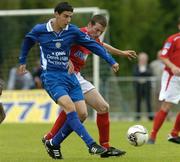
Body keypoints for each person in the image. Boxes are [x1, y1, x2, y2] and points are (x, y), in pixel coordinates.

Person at [18, 2, 120, 159]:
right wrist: (22, 60)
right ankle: (91, 144)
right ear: (56, 14)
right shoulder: (41, 29)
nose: (68, 20)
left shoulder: (72, 31)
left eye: (70, 17)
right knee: (70, 108)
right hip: (52, 77)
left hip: (71, 77)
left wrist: (111, 61)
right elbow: (27, 41)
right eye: (65, 16)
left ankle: (53, 142)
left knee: (83, 114)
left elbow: (95, 45)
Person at [42, 14, 136, 158]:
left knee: (103, 107)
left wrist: (121, 53)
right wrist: (65, 60)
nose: (97, 34)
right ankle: (51, 138)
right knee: (78, 113)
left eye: (100, 32)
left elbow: (103, 46)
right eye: (96, 30)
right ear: (89, 25)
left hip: (77, 77)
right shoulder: (76, 34)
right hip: (63, 75)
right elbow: (56, 44)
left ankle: (105, 147)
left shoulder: (93, 38)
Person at [148, 18, 180, 144]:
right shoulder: (173, 39)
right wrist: (172, 66)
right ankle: (152, 136)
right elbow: (163, 56)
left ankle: (174, 134)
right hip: (172, 77)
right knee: (167, 106)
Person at [133, 52, 153, 120]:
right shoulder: (136, 66)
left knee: (148, 101)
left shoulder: (148, 66)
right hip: (138, 86)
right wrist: (143, 73)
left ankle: (150, 117)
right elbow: (135, 74)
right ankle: (137, 117)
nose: (143, 60)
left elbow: (150, 73)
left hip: (147, 86)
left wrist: (142, 73)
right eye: (142, 58)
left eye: (144, 58)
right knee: (138, 101)